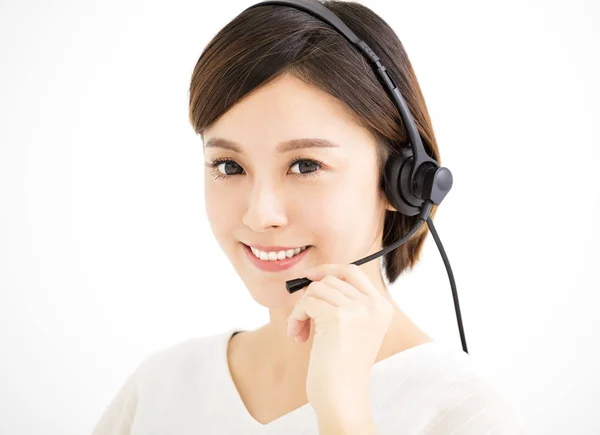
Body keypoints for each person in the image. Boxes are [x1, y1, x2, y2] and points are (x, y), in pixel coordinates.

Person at [92, 1, 525, 434]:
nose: (260, 215)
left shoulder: (465, 412)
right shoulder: (160, 388)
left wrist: (344, 410)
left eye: (305, 166)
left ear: (402, 181)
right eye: (229, 166)